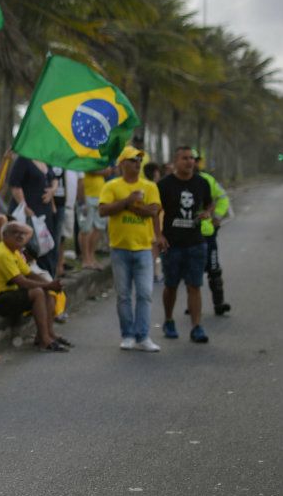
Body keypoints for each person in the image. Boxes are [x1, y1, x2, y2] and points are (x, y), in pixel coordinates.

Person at [99, 146, 163, 352]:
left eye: (139, 160)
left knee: (145, 293)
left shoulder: (150, 186)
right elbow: (103, 210)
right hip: (119, 248)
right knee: (124, 295)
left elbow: (153, 210)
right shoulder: (112, 186)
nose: (137, 163)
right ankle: (127, 334)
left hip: (144, 248)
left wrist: (132, 207)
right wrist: (128, 200)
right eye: (133, 160)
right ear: (122, 164)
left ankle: (143, 335)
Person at [0, 223, 69, 351]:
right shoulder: (3, 254)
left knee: (46, 291)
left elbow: (29, 274)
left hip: (5, 294)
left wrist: (50, 284)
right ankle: (44, 340)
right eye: (15, 232)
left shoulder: (13, 251)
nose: (20, 236)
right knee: (37, 292)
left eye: (22, 233)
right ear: (5, 236)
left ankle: (47, 334)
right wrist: (49, 285)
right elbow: (22, 282)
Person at [157, 147, 214, 344]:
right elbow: (155, 211)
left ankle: (197, 326)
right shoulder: (164, 185)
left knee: (194, 285)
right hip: (172, 244)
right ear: (175, 161)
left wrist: (207, 213)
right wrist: (159, 235)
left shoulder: (202, 182)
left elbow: (210, 204)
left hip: (196, 243)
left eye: (192, 158)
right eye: (185, 158)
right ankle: (169, 320)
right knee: (171, 286)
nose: (189, 162)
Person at [9, 153, 59, 276]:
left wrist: (52, 190)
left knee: (47, 249)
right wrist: (24, 206)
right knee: (29, 250)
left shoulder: (45, 158)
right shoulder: (23, 159)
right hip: (29, 214)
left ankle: (48, 281)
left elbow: (54, 178)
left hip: (45, 214)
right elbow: (15, 185)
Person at [195, 151, 232, 316]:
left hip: (208, 233)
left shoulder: (207, 179)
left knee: (214, 270)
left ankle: (219, 303)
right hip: (187, 236)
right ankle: (193, 304)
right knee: (191, 273)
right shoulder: (176, 182)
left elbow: (223, 198)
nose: (191, 163)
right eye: (188, 159)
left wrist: (217, 217)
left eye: (195, 160)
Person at [77, 166, 112, 270]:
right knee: (85, 228)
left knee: (99, 227)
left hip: (100, 196)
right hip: (86, 196)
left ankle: (92, 257)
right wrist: (103, 171)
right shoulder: (85, 152)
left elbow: (108, 171)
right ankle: (85, 259)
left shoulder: (99, 155)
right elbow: (90, 168)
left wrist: (104, 171)